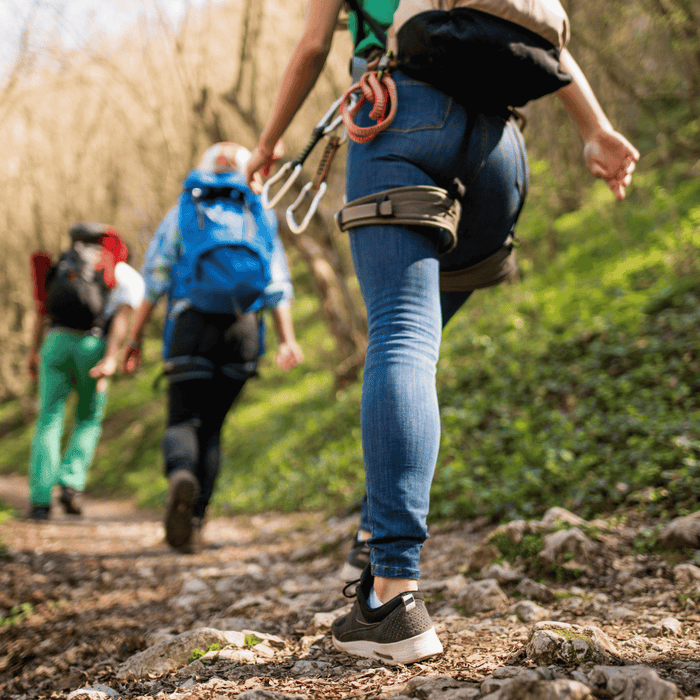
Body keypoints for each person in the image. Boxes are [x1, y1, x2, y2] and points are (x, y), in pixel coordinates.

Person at [246, 0, 639, 664]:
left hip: (399, 119)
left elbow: (314, 45)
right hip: (501, 154)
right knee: (414, 344)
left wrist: (268, 140)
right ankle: (375, 537)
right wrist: (595, 128)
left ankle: (391, 596)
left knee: (402, 336)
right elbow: (534, 32)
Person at [122, 141, 304, 554]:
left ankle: (180, 475)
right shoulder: (259, 213)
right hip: (242, 330)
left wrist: (133, 339)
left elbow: (156, 278)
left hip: (191, 326)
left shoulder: (185, 210)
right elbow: (277, 284)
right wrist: (288, 340)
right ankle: (198, 522)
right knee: (214, 428)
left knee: (184, 420)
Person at [27, 224, 145, 520]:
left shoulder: (63, 264)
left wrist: (33, 351)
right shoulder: (122, 272)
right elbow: (121, 319)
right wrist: (110, 358)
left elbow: (41, 310)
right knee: (89, 418)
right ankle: (71, 484)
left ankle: (40, 500)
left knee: (48, 419)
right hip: (92, 345)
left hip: (55, 342)